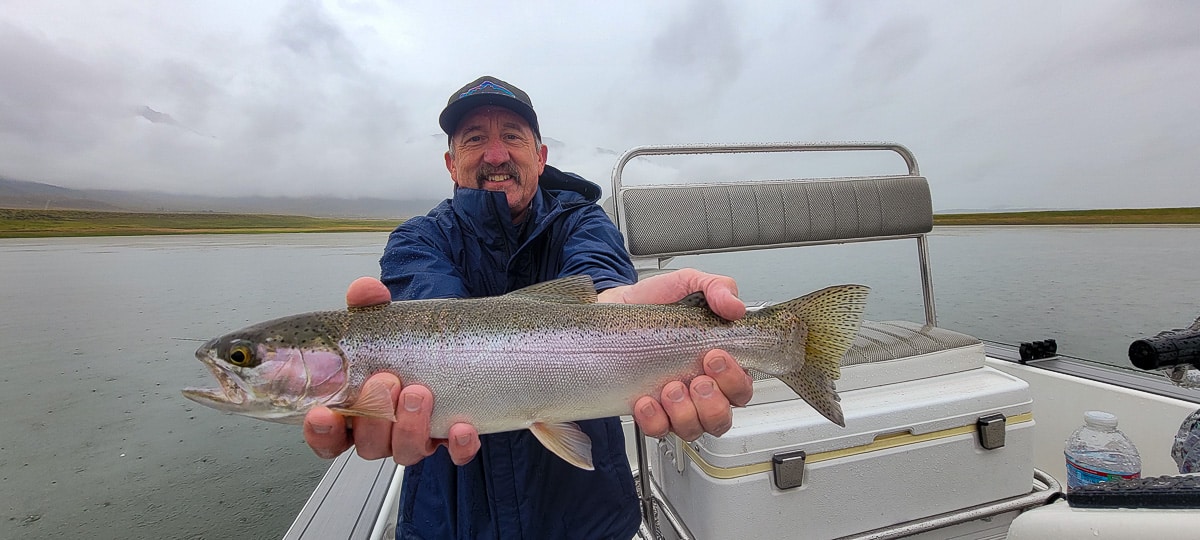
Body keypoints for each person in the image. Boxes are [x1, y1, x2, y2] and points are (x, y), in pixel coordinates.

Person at [302, 76, 753, 539]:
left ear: (540, 156)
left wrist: (607, 309)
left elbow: (601, 277)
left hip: (589, 518)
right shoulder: (418, 239)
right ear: (450, 163)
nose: (495, 155)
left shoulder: (582, 220)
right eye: (474, 139)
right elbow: (435, 319)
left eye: (512, 136)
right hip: (452, 522)